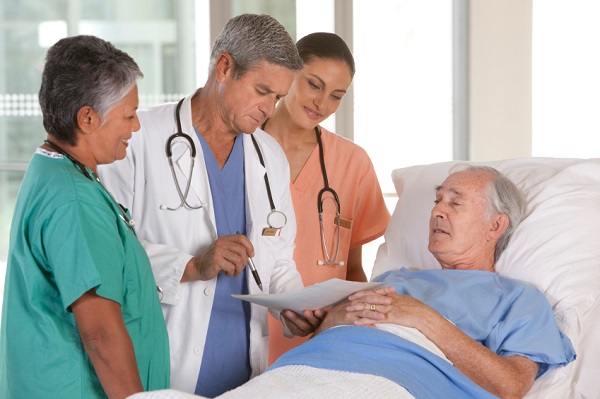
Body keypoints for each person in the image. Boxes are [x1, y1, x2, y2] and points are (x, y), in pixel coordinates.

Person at [204, 165, 574, 399]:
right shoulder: (394, 279)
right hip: (297, 375)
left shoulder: (519, 299)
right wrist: (323, 320)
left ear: (496, 225)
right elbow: (327, 338)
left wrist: (422, 318)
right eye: (437, 200)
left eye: (455, 203)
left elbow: (511, 387)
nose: (437, 210)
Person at [97, 14, 323, 397]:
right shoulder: (138, 139)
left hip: (245, 374)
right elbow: (109, 251)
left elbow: (278, 256)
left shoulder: (269, 156)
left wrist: (293, 305)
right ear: (224, 67)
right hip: (165, 360)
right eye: (262, 90)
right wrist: (192, 265)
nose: (270, 109)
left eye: (278, 97)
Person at [0, 35, 169, 399]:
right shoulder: (75, 202)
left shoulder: (51, 169)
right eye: (128, 114)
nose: (136, 127)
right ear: (88, 118)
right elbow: (101, 335)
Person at [261, 32, 390, 363]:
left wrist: (354, 332)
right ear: (288, 73)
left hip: (317, 343)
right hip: (243, 332)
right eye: (313, 85)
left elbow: (353, 269)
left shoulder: (353, 163)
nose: (322, 104)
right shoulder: (242, 147)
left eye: (336, 96)